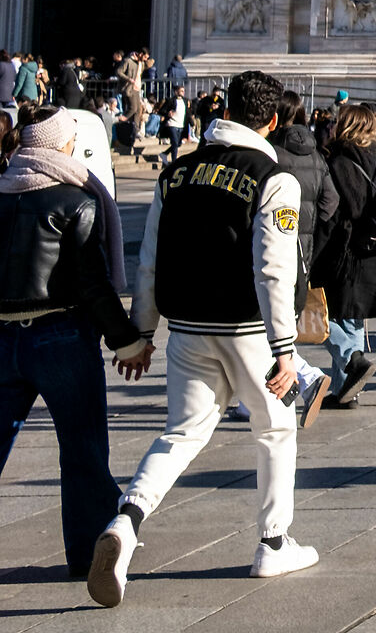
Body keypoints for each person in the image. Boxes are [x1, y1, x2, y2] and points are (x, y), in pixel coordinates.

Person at [92, 70, 318, 606]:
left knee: (181, 434)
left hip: (187, 328)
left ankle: (126, 522)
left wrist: (142, 332)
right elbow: (273, 271)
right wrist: (286, 349)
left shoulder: (175, 173)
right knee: (276, 428)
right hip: (247, 331)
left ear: (225, 108)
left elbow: (148, 260)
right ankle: (273, 542)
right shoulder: (274, 177)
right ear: (271, 118)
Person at [0, 109, 149, 583]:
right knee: (83, 449)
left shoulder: (1, 192)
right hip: (60, 334)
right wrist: (127, 342)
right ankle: (90, 555)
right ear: (64, 146)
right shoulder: (77, 200)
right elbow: (93, 286)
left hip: (1, 337)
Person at [315, 104, 376, 409]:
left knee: (323, 317)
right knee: (352, 321)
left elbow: (331, 214)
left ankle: (351, 361)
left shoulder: (334, 161)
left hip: (343, 252)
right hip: (372, 252)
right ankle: (344, 391)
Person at [268, 98, 334, 412]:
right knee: (281, 318)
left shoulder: (269, 155)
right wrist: (313, 236)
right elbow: (330, 202)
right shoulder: (318, 155)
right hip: (302, 249)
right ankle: (296, 381)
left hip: (272, 244)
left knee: (264, 321)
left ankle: (305, 378)